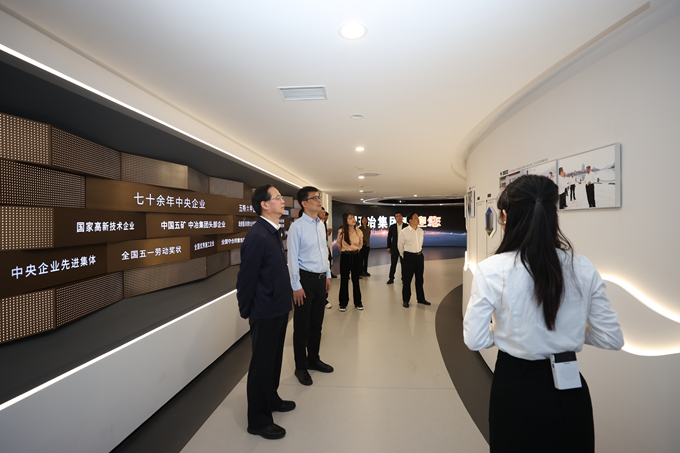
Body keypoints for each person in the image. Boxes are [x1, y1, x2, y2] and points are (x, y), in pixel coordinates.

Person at [463, 175, 624, 453]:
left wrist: (508, 331)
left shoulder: (491, 270)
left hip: (514, 389)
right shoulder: (583, 266)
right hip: (569, 390)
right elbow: (611, 338)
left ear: (505, 216)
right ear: (553, 214)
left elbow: (474, 339)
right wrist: (570, 331)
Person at [236, 184, 294, 440]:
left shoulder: (272, 231)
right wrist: (246, 309)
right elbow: (246, 278)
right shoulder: (257, 235)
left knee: (274, 359)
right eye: (278, 197)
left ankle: (271, 398)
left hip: (278, 307)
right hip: (265, 310)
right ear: (264, 204)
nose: (283, 201)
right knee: (261, 364)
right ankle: (258, 420)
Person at [287, 186, 334, 386]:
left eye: (319, 197)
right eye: (315, 198)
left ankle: (313, 359)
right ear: (304, 203)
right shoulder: (297, 227)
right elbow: (292, 258)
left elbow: (324, 251)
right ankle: (300, 366)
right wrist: (296, 286)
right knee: (301, 326)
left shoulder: (321, 224)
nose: (319, 200)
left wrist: (328, 275)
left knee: (317, 323)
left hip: (321, 279)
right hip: (304, 280)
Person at [398, 213, 430, 307]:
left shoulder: (420, 231)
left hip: (419, 256)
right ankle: (406, 300)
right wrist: (404, 257)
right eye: (415, 217)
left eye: (418, 217)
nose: (418, 219)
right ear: (410, 220)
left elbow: (420, 244)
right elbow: (400, 246)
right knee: (407, 280)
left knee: (420, 279)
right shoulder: (404, 232)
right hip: (408, 257)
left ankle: (421, 298)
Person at [336, 213, 364, 311]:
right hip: (345, 256)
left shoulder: (359, 231)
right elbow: (338, 244)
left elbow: (360, 244)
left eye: (353, 218)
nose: (353, 219)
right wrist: (343, 251)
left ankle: (358, 302)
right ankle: (343, 303)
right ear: (346, 221)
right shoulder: (342, 231)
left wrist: (356, 250)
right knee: (344, 280)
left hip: (356, 256)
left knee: (356, 280)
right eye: (350, 218)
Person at [386, 212, 406, 284]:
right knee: (393, 264)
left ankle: (404, 278)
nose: (398, 217)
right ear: (395, 218)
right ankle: (391, 278)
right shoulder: (392, 227)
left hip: (404, 248)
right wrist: (389, 247)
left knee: (404, 264)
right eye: (397, 216)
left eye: (400, 216)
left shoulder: (406, 226)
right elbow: (389, 237)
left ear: (402, 217)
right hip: (394, 248)